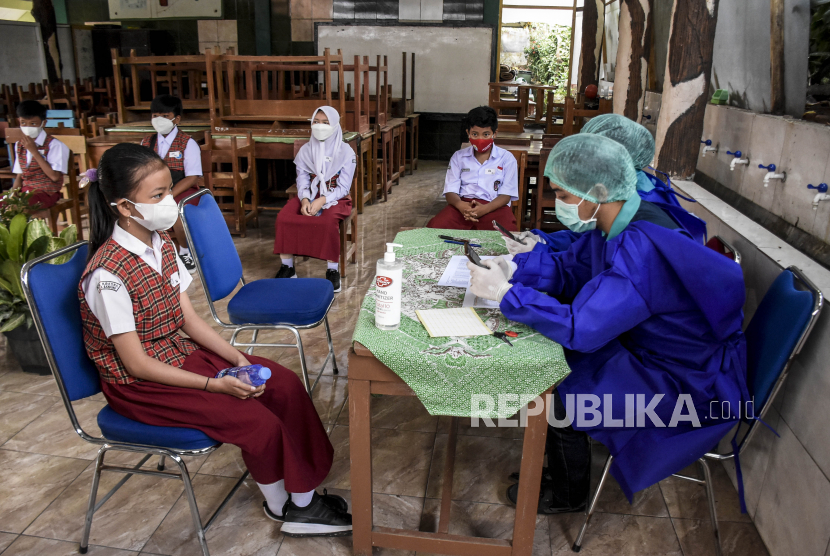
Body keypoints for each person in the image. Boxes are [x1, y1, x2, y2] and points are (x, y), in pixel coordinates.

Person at [79, 143, 352, 537]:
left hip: (179, 356)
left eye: (169, 191)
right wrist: (214, 384)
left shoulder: (160, 243)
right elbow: (137, 365)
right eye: (157, 197)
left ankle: (305, 498)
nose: (170, 202)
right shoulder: (107, 276)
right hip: (142, 384)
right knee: (256, 419)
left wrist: (236, 358)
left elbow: (186, 317)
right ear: (124, 206)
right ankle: (284, 510)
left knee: (284, 385)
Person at [467, 134, 748, 514]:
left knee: (562, 390)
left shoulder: (641, 249)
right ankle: (558, 469)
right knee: (555, 360)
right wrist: (516, 269)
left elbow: (583, 329)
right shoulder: (613, 222)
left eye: (564, 197)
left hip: (686, 380)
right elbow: (572, 268)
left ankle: (569, 495)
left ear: (597, 190)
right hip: (652, 351)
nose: (558, 205)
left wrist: (506, 295)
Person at [504, 113, 705, 256]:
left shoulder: (637, 206)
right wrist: (543, 240)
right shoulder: (623, 189)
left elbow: (595, 257)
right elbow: (590, 241)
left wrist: (540, 249)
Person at [273, 106, 356, 293]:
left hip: (337, 198)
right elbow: (302, 179)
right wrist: (304, 199)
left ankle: (332, 270)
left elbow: (343, 188)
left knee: (327, 223)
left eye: (325, 123)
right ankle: (288, 267)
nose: (320, 126)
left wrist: (323, 200)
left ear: (335, 125)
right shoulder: (305, 150)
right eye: (316, 122)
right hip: (309, 196)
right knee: (284, 218)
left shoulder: (346, 152)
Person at [427, 106, 519, 231]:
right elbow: (450, 192)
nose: (480, 139)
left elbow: (506, 196)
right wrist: (461, 205)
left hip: (494, 207)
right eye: (475, 134)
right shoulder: (458, 157)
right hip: (463, 207)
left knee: (507, 235)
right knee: (435, 228)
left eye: (486, 134)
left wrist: (484, 209)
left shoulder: (507, 159)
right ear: (468, 133)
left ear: (494, 134)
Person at [141, 94, 203, 274]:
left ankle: (185, 251)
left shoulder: (188, 143)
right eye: (154, 116)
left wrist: (168, 194)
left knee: (175, 209)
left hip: (182, 188)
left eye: (165, 116)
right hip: (154, 189)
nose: (158, 120)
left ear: (177, 119)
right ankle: (148, 252)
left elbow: (192, 177)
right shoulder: (146, 142)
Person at [10, 100, 70, 210]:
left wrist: (34, 152)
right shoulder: (19, 145)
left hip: (47, 192)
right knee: (5, 205)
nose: (27, 127)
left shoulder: (55, 145)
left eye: (33, 123)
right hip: (26, 191)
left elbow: (55, 177)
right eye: (23, 123)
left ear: (44, 123)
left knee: (21, 207)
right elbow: (20, 175)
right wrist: (13, 193)